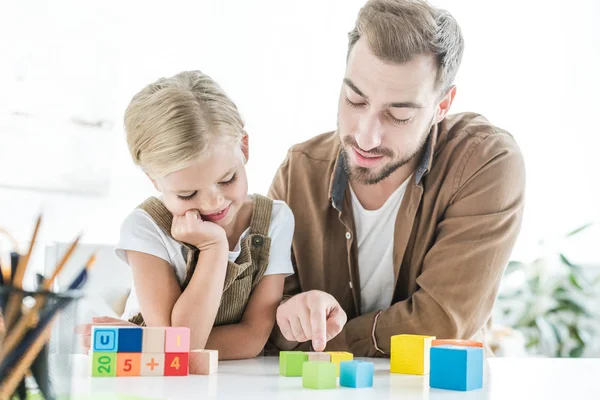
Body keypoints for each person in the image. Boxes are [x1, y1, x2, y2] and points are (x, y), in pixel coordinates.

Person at [267, 0, 525, 356]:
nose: (366, 137)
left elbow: (442, 321)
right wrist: (288, 313)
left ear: (442, 105)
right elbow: (265, 315)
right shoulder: (299, 171)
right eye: (355, 100)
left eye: (399, 115)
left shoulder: (485, 162)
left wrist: (319, 342)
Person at [78, 70, 295, 360]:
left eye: (227, 179)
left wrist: (146, 342)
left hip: (231, 378)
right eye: (187, 195)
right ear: (155, 181)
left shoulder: (275, 221)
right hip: (156, 377)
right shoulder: (145, 228)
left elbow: (252, 339)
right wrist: (213, 247)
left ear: (243, 147)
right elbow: (180, 347)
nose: (212, 203)